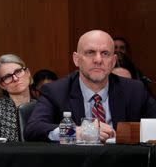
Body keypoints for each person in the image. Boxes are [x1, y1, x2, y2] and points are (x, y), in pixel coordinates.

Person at [25, 30, 156, 143]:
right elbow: (33, 129)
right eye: (90, 52)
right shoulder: (56, 91)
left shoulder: (135, 90)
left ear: (113, 61)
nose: (98, 60)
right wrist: (80, 132)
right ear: (76, 59)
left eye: (105, 53)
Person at [0, 54, 36, 141]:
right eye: (8, 77)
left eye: (18, 71)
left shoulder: (43, 107)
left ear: (28, 73)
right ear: (2, 85)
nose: (15, 78)